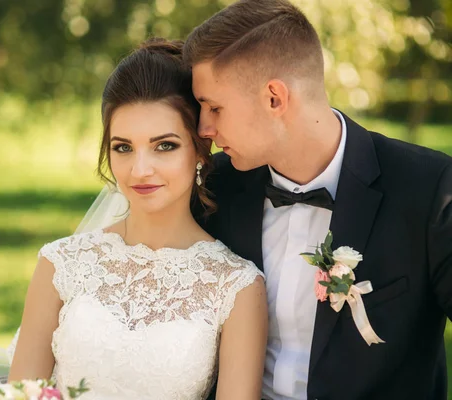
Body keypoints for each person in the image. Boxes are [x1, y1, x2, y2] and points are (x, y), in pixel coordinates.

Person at [183, 0, 452, 399]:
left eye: (214, 107)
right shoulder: (215, 187)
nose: (203, 128)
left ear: (274, 98)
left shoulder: (428, 189)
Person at [7, 38, 268, 399]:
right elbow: (20, 394)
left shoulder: (236, 288)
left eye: (165, 146)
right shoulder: (61, 265)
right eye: (123, 147)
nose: (140, 169)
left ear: (199, 148)